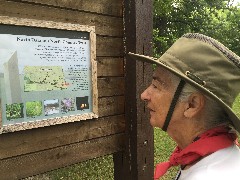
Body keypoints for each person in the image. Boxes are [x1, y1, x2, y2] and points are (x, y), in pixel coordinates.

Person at [129, 33, 240, 180]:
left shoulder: (207, 175)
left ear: (192, 105)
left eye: (156, 86)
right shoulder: (217, 157)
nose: (144, 95)